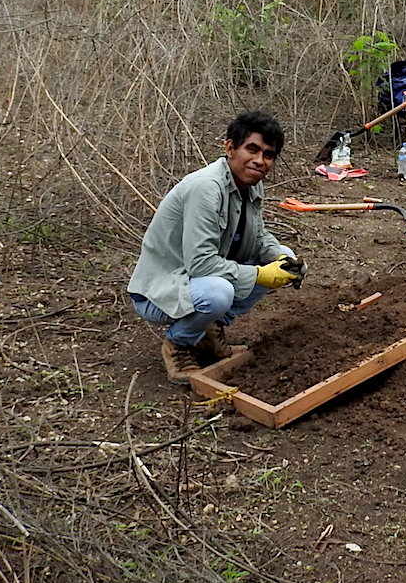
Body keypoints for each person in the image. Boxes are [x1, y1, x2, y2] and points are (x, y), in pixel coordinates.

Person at [128, 111, 303, 382]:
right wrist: (259, 275)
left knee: (284, 259)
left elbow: (257, 237)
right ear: (230, 148)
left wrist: (281, 257)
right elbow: (201, 264)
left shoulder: (251, 185)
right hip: (160, 291)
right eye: (252, 149)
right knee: (219, 292)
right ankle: (179, 344)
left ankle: (209, 333)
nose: (259, 161)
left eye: (268, 155)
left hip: (195, 282)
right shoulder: (207, 188)